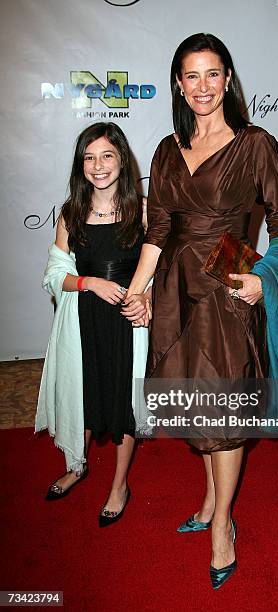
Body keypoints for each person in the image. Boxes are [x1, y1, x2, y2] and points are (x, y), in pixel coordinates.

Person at [121, 33, 278, 587]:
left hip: (227, 275)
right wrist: (138, 290)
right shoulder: (167, 149)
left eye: (213, 74)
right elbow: (156, 233)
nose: (203, 87)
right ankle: (207, 499)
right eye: (191, 75)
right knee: (197, 401)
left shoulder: (255, 143)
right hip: (175, 286)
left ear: (228, 78)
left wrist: (262, 277)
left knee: (223, 406)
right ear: (178, 82)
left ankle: (224, 523)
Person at [36, 122, 151, 527]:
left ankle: (120, 485)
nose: (98, 165)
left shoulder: (144, 209)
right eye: (89, 157)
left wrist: (146, 297)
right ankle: (77, 464)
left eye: (106, 155)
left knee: (124, 404)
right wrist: (90, 282)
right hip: (83, 320)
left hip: (128, 322)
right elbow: (54, 274)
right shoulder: (70, 213)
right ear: (79, 164)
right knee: (82, 395)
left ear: (122, 159)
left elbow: (160, 267)